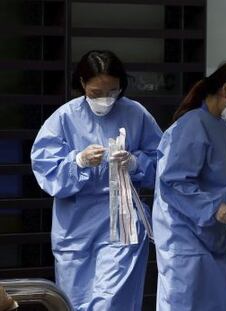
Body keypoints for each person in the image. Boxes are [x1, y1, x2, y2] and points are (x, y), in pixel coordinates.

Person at [31, 50, 162, 311]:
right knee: (74, 301)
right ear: (82, 84)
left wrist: (136, 163)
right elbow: (46, 169)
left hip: (122, 224)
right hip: (75, 229)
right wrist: (77, 161)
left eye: (113, 92)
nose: (105, 100)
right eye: (96, 93)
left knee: (111, 301)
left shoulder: (136, 114)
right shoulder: (64, 118)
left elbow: (164, 162)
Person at [153, 61, 226, 311]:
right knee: (189, 303)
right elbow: (174, 182)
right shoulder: (192, 125)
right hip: (186, 239)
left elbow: (224, 184)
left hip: (211, 237)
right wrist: (213, 207)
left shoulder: (219, 127)